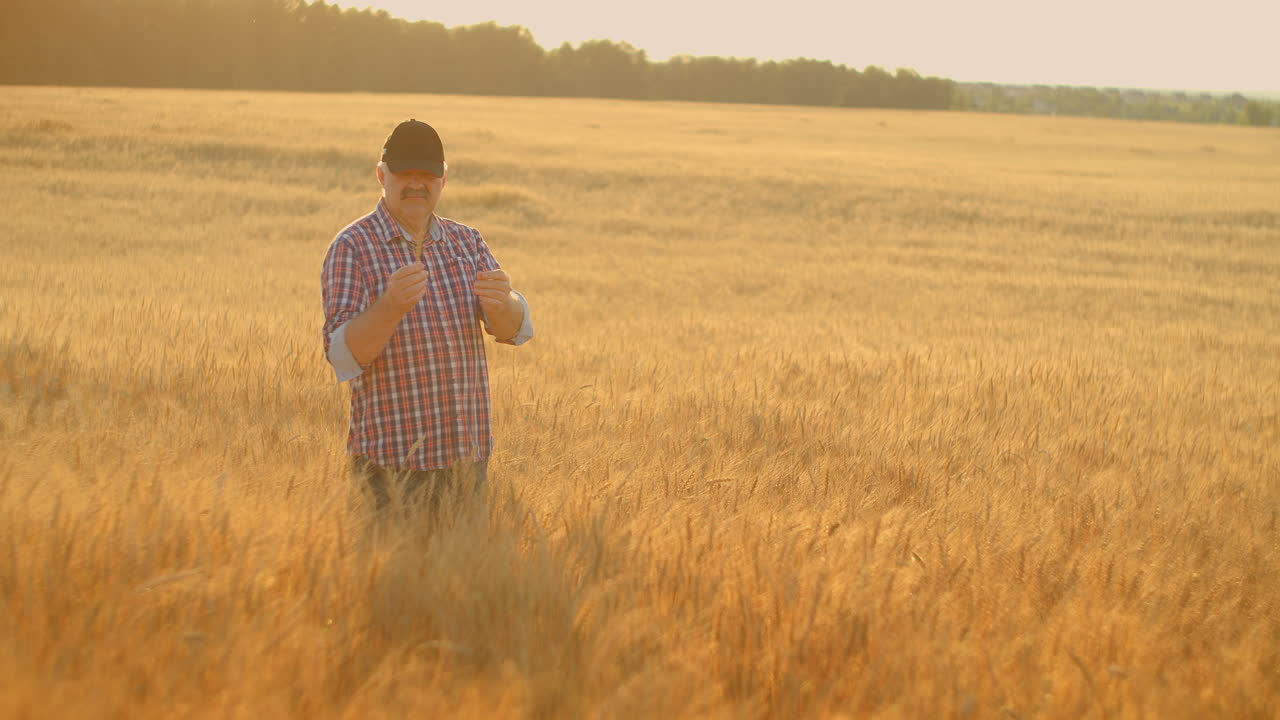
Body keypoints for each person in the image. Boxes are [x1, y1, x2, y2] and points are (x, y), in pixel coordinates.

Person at [320, 118, 533, 515]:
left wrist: (504, 304)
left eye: (427, 175)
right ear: (382, 175)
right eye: (405, 174)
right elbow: (343, 358)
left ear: (443, 180)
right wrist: (390, 307)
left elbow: (513, 331)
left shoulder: (466, 241)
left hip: (467, 464)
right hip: (390, 470)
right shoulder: (352, 247)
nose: (416, 184)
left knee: (460, 576)